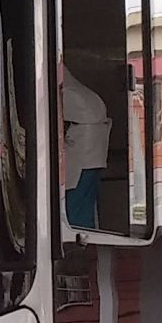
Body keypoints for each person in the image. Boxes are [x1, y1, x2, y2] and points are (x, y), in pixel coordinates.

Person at [61, 68, 110, 230]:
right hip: (90, 155)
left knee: (75, 217)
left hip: (81, 154)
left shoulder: (69, 95)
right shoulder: (81, 94)